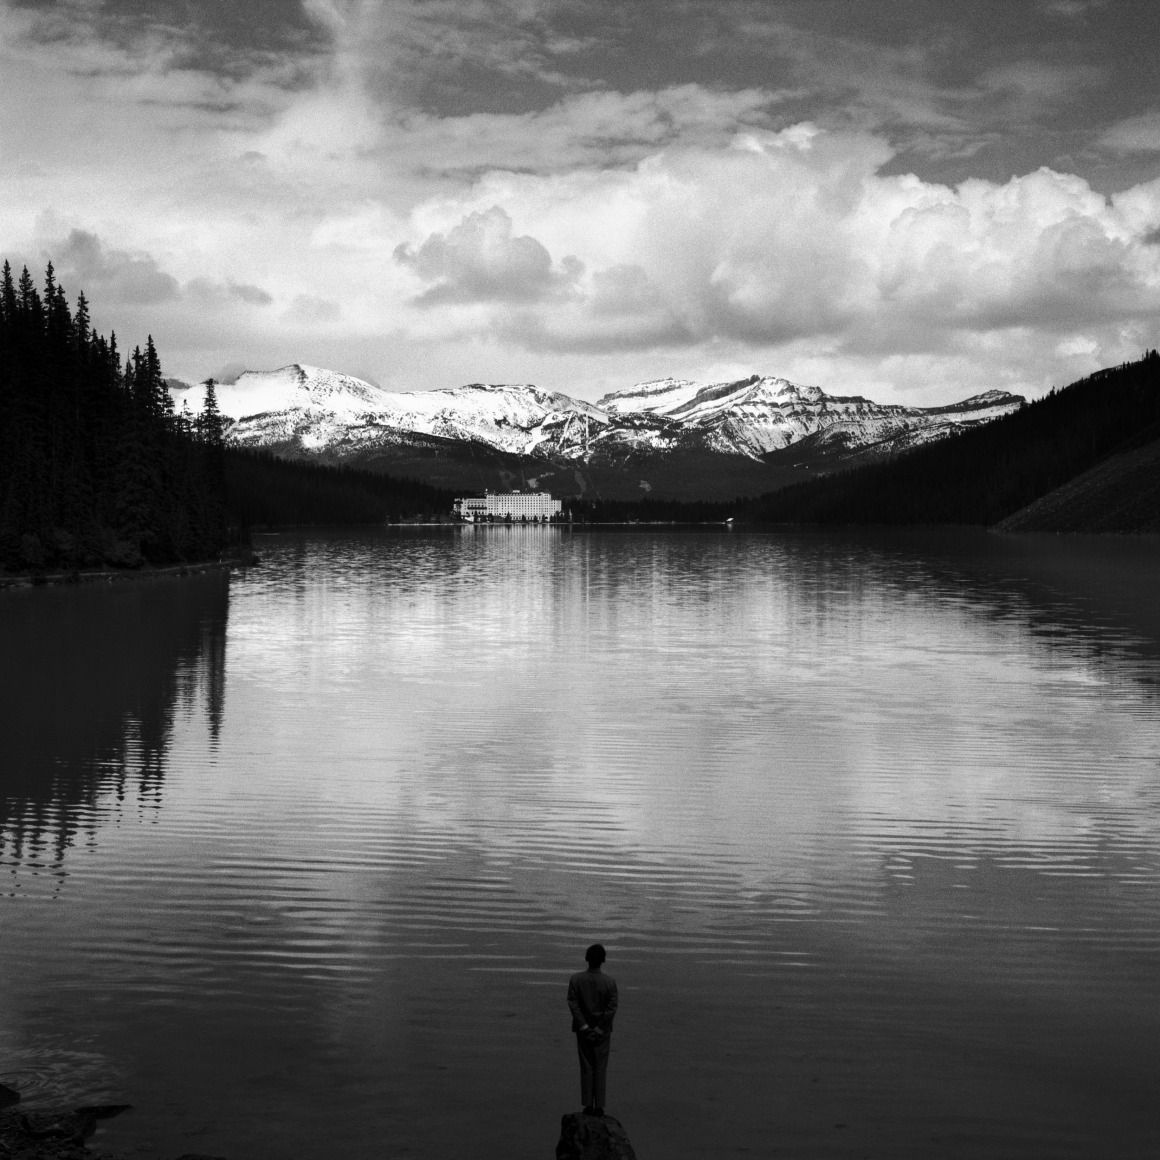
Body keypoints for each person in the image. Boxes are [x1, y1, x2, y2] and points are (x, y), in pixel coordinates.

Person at [567, 943, 618, 1117]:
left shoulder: (576, 979)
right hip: (602, 1033)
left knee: (586, 1067)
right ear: (603, 960)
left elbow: (573, 1004)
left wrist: (585, 1026)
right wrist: (599, 1029)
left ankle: (588, 1105)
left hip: (583, 1031)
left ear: (586, 959)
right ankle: (599, 1107)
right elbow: (611, 1009)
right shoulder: (610, 983)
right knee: (600, 1068)